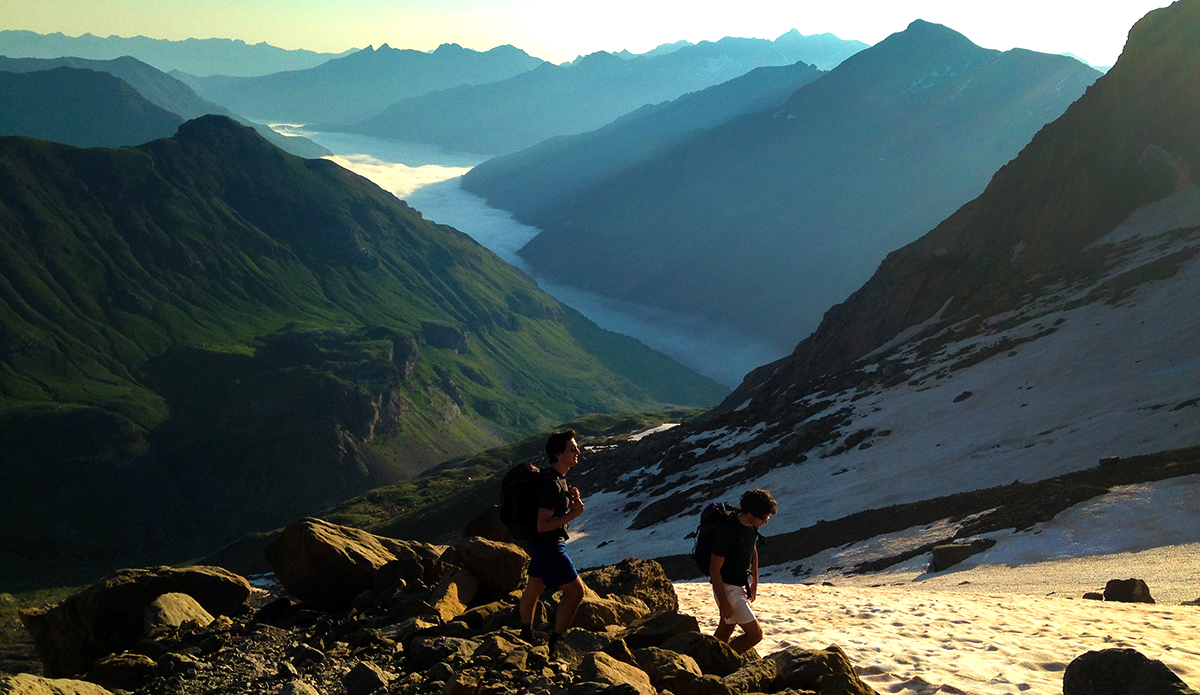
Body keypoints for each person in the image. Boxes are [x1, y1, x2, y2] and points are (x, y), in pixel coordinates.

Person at [518, 429, 587, 648]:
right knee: (576, 592)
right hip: (549, 547)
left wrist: (569, 502)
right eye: (571, 448)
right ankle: (556, 642)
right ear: (558, 454)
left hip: (539, 546)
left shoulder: (557, 480)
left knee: (535, 588)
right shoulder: (552, 484)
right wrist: (572, 515)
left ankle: (526, 634)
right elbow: (542, 525)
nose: (577, 450)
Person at [709, 488, 776, 653]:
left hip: (740, 585)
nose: (766, 522)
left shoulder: (751, 527)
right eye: (764, 517)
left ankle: (707, 661)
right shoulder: (727, 532)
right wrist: (724, 602)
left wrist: (754, 583)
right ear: (751, 513)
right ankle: (721, 661)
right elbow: (714, 569)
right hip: (728, 588)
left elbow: (752, 551)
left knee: (726, 629)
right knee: (755, 634)